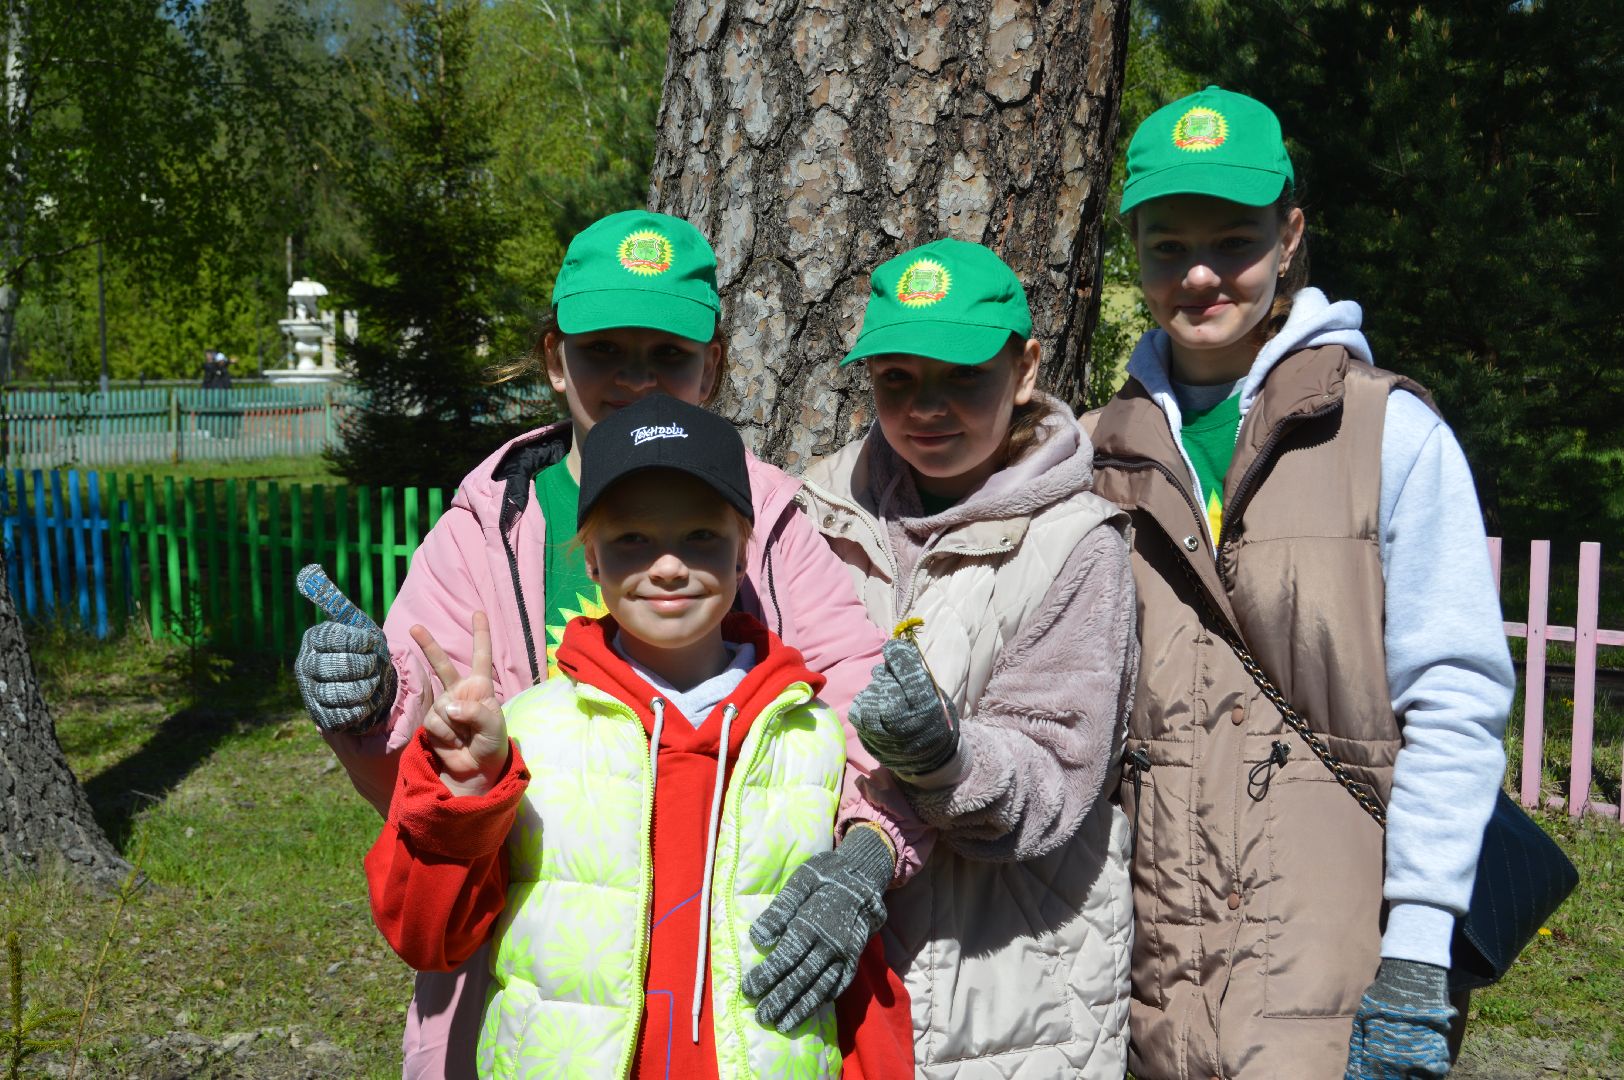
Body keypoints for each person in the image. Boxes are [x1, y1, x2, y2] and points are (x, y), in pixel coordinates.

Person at [293, 210, 923, 1078]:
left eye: (668, 354)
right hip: (534, 983)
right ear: (556, 361)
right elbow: (423, 739)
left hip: (731, 994)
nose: (636, 379)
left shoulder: (765, 513)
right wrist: (365, 696)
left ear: (713, 365)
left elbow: (859, 701)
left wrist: (869, 847)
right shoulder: (494, 517)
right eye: (603, 352)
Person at [1084, 86, 1514, 1079]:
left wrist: (1415, 950)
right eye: (1164, 246)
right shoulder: (1096, 455)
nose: (1197, 275)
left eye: (1231, 240)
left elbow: (1453, 697)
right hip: (1144, 975)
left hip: (1336, 964)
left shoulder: (1387, 435)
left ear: (1289, 236)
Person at [365, 395, 897, 1078]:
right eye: (632, 541)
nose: (668, 566)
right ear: (590, 561)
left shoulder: (812, 740)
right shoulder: (526, 734)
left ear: (744, 557)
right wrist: (465, 793)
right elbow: (426, 934)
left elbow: (864, 1004)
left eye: (701, 537)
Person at [789, 238, 1139, 1076]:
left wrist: (951, 757)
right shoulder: (809, 515)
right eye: (896, 381)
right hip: (831, 970)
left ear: (1024, 370)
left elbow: (1056, 767)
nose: (927, 408)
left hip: (1004, 993)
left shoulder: (1076, 544)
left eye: (962, 377)